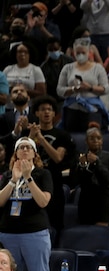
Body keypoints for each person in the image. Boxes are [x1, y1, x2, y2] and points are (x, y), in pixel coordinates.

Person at [0, 137, 53, 271]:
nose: (24, 150)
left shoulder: (42, 174)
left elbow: (43, 201)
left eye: (28, 147)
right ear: (15, 153)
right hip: (9, 233)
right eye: (21, 147)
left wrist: (28, 177)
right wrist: (13, 181)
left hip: (35, 233)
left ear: (34, 153)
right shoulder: (7, 175)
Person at [29, 95, 74, 237]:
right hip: (32, 182)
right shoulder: (29, 134)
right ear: (36, 113)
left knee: (55, 224)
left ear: (54, 113)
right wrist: (31, 136)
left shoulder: (61, 135)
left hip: (54, 183)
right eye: (43, 109)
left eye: (50, 109)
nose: (47, 112)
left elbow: (57, 157)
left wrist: (41, 139)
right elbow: (22, 153)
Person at [56, 37, 109, 133]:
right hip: (72, 108)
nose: (80, 55)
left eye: (83, 52)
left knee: (92, 135)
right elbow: (60, 90)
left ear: (89, 52)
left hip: (92, 109)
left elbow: (105, 89)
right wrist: (74, 89)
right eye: (78, 53)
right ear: (74, 53)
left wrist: (90, 88)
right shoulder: (68, 68)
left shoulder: (98, 68)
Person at [70, 122, 109, 226]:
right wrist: (81, 165)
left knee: (100, 233)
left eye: (98, 138)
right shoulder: (80, 158)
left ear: (102, 140)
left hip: (102, 201)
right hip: (85, 202)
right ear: (86, 141)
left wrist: (97, 163)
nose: (96, 141)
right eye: (92, 138)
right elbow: (74, 180)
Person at [40, 37, 73, 106]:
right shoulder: (44, 67)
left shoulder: (69, 61)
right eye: (51, 50)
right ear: (47, 50)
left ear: (60, 48)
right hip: (54, 99)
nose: (53, 51)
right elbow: (45, 86)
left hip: (70, 95)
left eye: (55, 49)